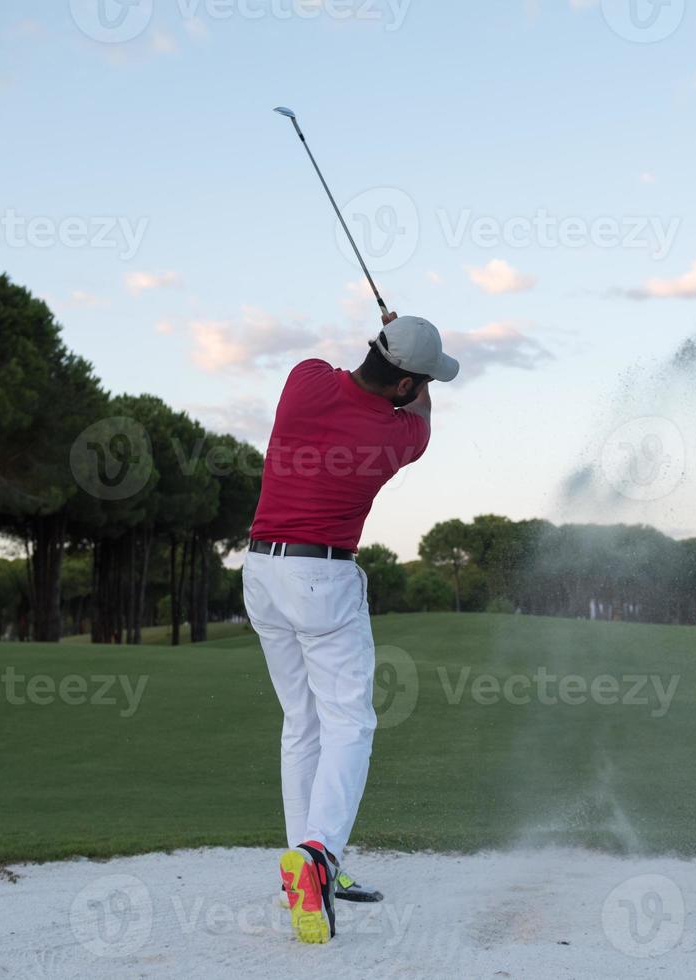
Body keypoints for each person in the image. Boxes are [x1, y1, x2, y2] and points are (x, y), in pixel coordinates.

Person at [243, 310, 459, 945]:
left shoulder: (302, 380)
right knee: (351, 722)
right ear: (406, 385)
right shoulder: (397, 439)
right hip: (322, 581)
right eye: (423, 381)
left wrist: (391, 345)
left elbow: (351, 374)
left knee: (301, 722)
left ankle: (303, 872)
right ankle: (319, 857)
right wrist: (411, 375)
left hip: (260, 572)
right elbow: (419, 414)